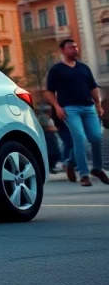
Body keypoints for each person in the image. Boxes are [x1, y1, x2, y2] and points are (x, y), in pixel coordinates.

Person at [45, 38, 108, 187]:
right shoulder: (56, 69)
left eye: (76, 47)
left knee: (96, 138)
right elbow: (49, 91)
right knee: (80, 138)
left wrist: (98, 105)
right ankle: (84, 174)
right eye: (71, 48)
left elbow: (93, 87)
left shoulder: (84, 68)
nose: (75, 50)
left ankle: (97, 169)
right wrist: (57, 107)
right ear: (63, 50)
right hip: (69, 109)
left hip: (88, 107)